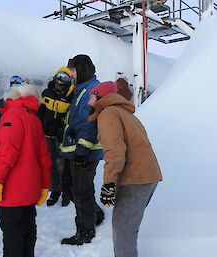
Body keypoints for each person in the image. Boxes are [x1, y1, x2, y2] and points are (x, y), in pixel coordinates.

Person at [88, 81, 163, 257]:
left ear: (99, 96)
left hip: (135, 180)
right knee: (127, 230)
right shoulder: (125, 113)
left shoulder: (108, 114)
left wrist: (109, 184)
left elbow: (115, 151)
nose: (89, 102)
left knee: (123, 233)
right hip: (147, 178)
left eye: (91, 97)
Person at [0, 84, 51, 257]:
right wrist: (44, 186)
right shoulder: (34, 119)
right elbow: (44, 158)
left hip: (12, 191)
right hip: (30, 191)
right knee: (28, 231)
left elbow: (6, 154)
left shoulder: (12, 116)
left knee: (12, 235)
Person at [60, 54, 104, 245]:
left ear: (82, 70)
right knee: (71, 188)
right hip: (78, 150)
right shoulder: (82, 89)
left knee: (81, 191)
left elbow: (89, 126)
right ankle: (95, 215)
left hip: (85, 152)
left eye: (73, 71)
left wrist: (81, 152)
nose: (70, 75)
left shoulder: (90, 92)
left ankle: (85, 232)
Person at [37, 66, 74, 207]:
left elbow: (71, 117)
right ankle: (55, 190)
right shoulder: (48, 92)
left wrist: (65, 130)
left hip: (62, 137)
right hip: (47, 136)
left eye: (64, 78)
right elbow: (41, 111)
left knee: (64, 165)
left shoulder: (71, 96)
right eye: (59, 77)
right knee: (51, 165)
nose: (60, 82)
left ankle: (66, 192)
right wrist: (37, 125)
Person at [0, 75, 26, 148]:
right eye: (13, 85)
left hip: (20, 141)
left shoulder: (25, 104)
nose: (15, 88)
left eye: (17, 85)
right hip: (2, 140)